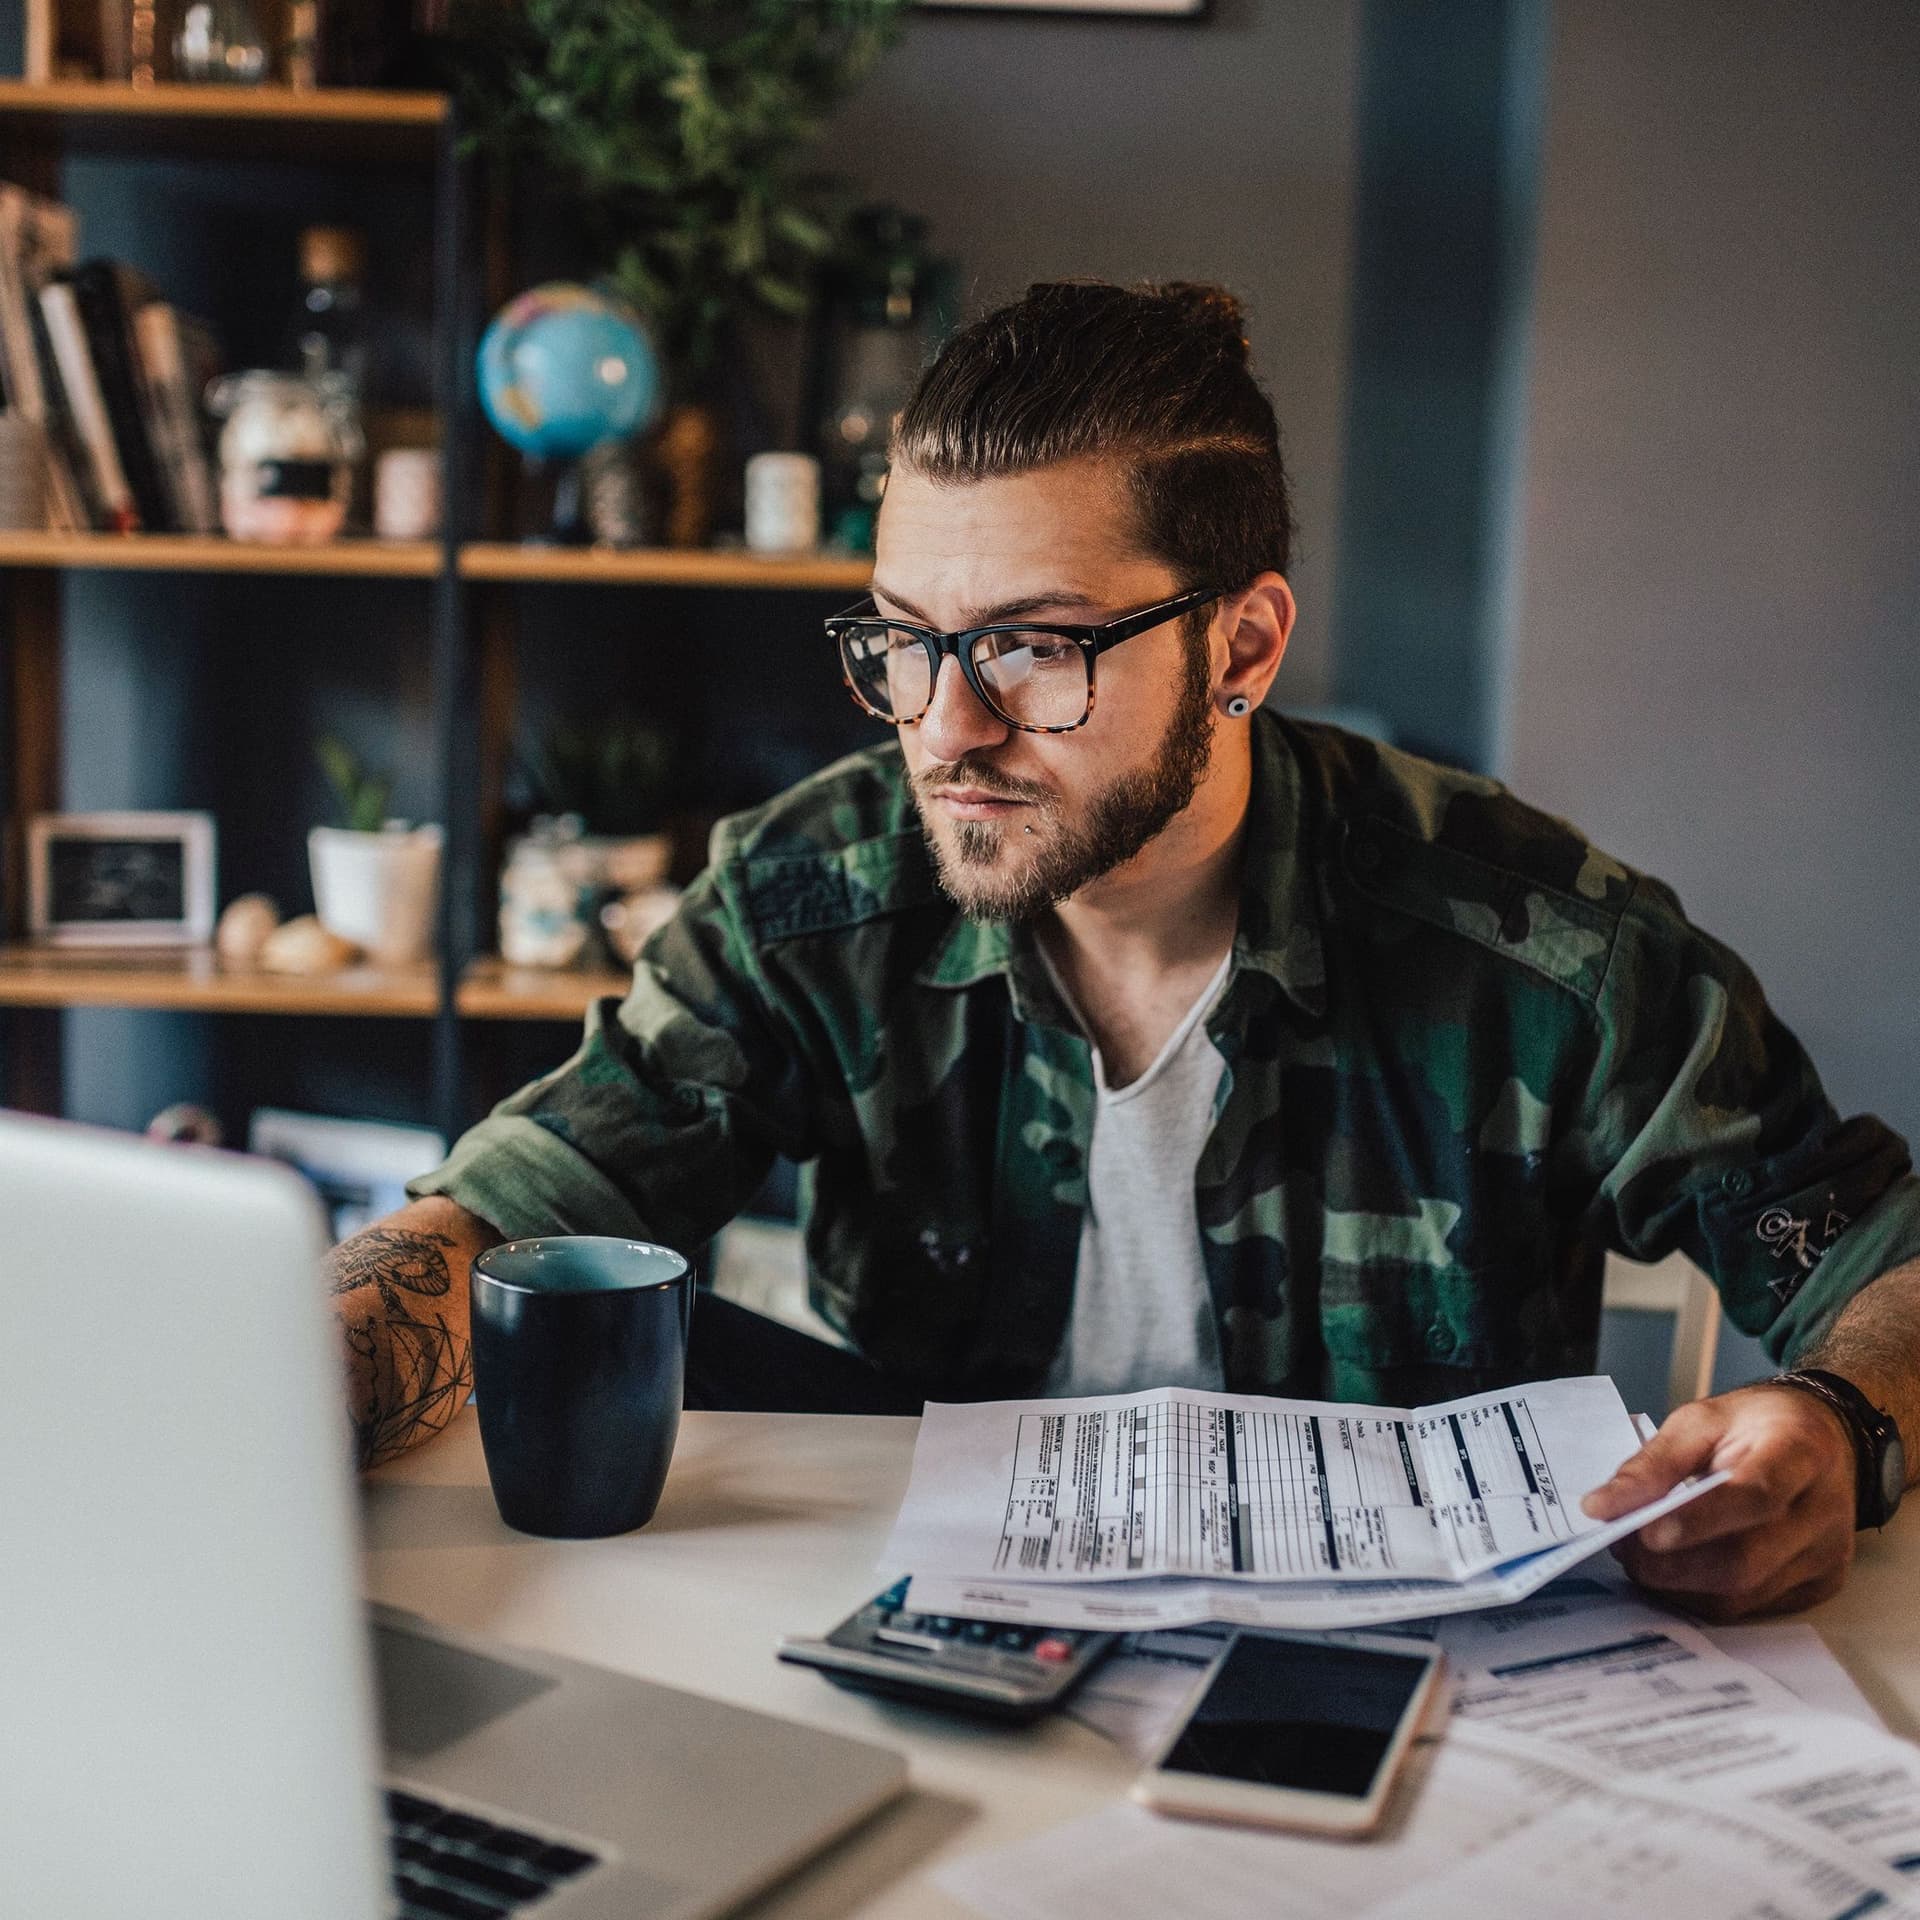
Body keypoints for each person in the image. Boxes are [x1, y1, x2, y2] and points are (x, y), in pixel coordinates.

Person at [331, 279, 1920, 1621]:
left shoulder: (1534, 948)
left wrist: (1837, 1420)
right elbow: (524, 1203)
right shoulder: (816, 895)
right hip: (938, 1663)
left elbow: (1880, 1255)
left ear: (1241, 644)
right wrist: (268, 1384)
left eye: (1033, 644)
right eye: (903, 638)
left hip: (1394, 1706)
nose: (944, 730)